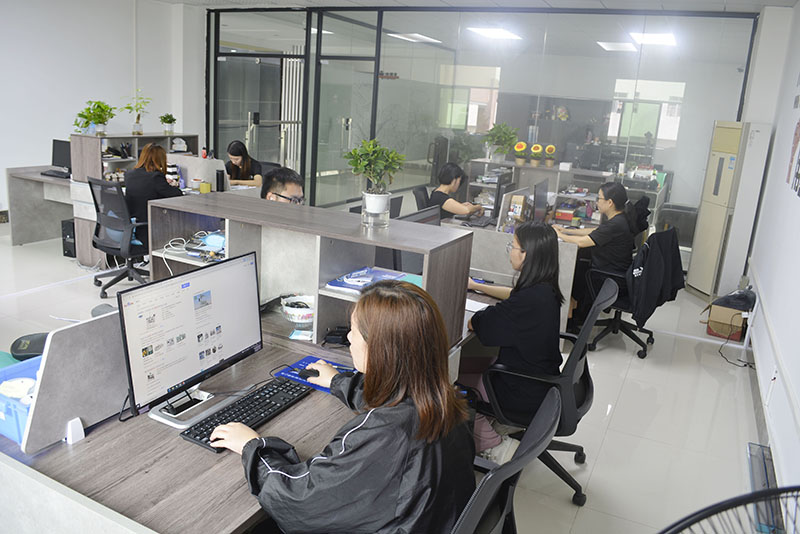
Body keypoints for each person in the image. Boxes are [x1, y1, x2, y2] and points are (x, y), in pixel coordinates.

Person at [209, 281, 476, 533]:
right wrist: (338, 382)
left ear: (380, 349)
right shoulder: (444, 399)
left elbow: (298, 498)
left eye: (354, 330)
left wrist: (252, 447)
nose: (348, 337)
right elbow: (396, 401)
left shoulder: (381, 433)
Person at [461, 221, 563, 464]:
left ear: (526, 254)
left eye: (513, 246)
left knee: (446, 382)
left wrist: (482, 312)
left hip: (520, 388)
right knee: (463, 364)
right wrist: (477, 286)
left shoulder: (527, 302)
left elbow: (477, 323)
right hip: (537, 377)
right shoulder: (544, 289)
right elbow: (513, 294)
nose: (510, 251)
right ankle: (491, 422)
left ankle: (495, 446)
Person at [553, 181, 636, 324]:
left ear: (610, 202)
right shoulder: (619, 218)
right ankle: (574, 311)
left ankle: (573, 316)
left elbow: (582, 242)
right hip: (615, 270)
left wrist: (559, 235)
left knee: (572, 271)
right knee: (579, 263)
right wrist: (566, 230)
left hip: (610, 276)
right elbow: (595, 231)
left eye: (599, 198)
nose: (597, 202)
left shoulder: (615, 224)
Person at [124, 143, 183, 247]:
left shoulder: (129, 174)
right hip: (149, 229)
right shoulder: (156, 177)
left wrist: (163, 184)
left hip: (133, 228)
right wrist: (173, 185)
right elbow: (177, 194)